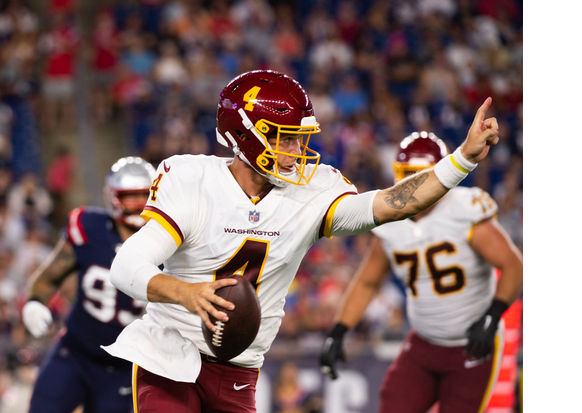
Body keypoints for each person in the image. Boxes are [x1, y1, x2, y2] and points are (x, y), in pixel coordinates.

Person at [102, 69, 499, 412]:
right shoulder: (192, 180)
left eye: (297, 138)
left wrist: (463, 157)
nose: (296, 151)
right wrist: (188, 294)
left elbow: (393, 205)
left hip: (241, 367)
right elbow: (126, 267)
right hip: (168, 354)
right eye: (284, 138)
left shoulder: (313, 191)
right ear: (244, 133)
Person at [318, 131, 523, 413]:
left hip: (471, 347)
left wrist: (493, 314)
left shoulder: (464, 209)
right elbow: (367, 282)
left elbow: (513, 265)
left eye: (422, 176)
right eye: (407, 175)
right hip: (424, 342)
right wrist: (339, 331)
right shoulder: (389, 219)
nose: (414, 186)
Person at [21, 156, 157, 413]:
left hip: (124, 369)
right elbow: (48, 277)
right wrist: (35, 302)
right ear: (113, 197)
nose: (140, 203)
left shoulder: (169, 247)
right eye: (131, 195)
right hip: (74, 353)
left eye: (146, 195)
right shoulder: (89, 227)